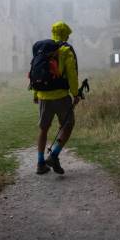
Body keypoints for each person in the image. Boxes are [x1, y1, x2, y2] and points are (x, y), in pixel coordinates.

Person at [33, 21, 79, 175]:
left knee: (43, 129)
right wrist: (75, 94)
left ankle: (40, 163)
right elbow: (72, 74)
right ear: (65, 34)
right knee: (68, 124)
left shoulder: (42, 49)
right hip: (60, 96)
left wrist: (35, 94)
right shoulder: (66, 50)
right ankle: (54, 155)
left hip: (43, 96)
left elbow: (35, 73)